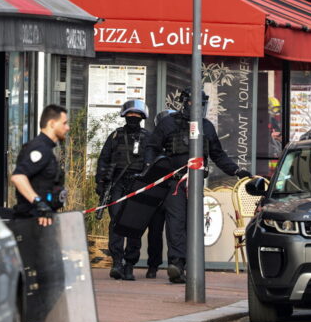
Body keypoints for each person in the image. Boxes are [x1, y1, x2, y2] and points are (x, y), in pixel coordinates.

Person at [146, 88, 251, 284]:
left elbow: (218, 155)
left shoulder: (207, 127)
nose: (198, 108)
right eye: (194, 103)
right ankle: (176, 264)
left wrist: (236, 171)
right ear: (184, 102)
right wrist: (152, 170)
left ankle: (187, 264)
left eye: (201, 104)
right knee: (176, 222)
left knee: (193, 223)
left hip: (195, 182)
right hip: (174, 182)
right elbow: (152, 148)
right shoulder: (168, 123)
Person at [9, 104, 69, 322]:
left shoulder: (48, 150)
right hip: (32, 224)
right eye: (65, 123)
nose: (67, 127)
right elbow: (19, 177)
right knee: (46, 282)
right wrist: (38, 203)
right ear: (52, 123)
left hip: (43, 223)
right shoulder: (38, 149)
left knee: (51, 282)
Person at [96, 100, 151, 281]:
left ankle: (129, 265)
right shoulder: (115, 136)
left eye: (137, 115)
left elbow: (154, 162)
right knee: (117, 223)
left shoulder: (148, 138)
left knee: (135, 225)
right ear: (125, 116)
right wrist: (101, 184)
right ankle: (117, 262)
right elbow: (103, 161)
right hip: (117, 183)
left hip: (138, 185)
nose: (133, 118)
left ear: (142, 117)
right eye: (130, 115)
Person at [145, 109, 176, 279]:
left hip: (173, 192)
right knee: (155, 231)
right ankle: (153, 265)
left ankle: (175, 264)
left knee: (174, 231)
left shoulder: (178, 144)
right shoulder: (153, 145)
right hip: (157, 192)